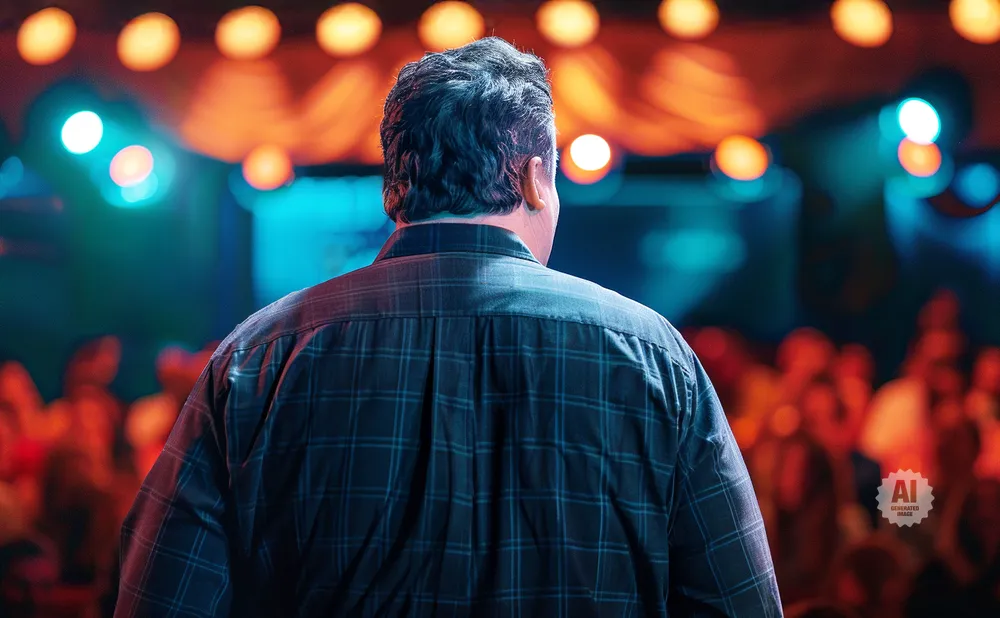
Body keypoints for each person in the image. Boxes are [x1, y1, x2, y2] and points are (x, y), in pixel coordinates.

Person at [116, 37, 781, 617]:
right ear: (536, 178)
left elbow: (164, 599)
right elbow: (737, 602)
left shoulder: (258, 359)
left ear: (394, 188)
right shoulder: (653, 357)